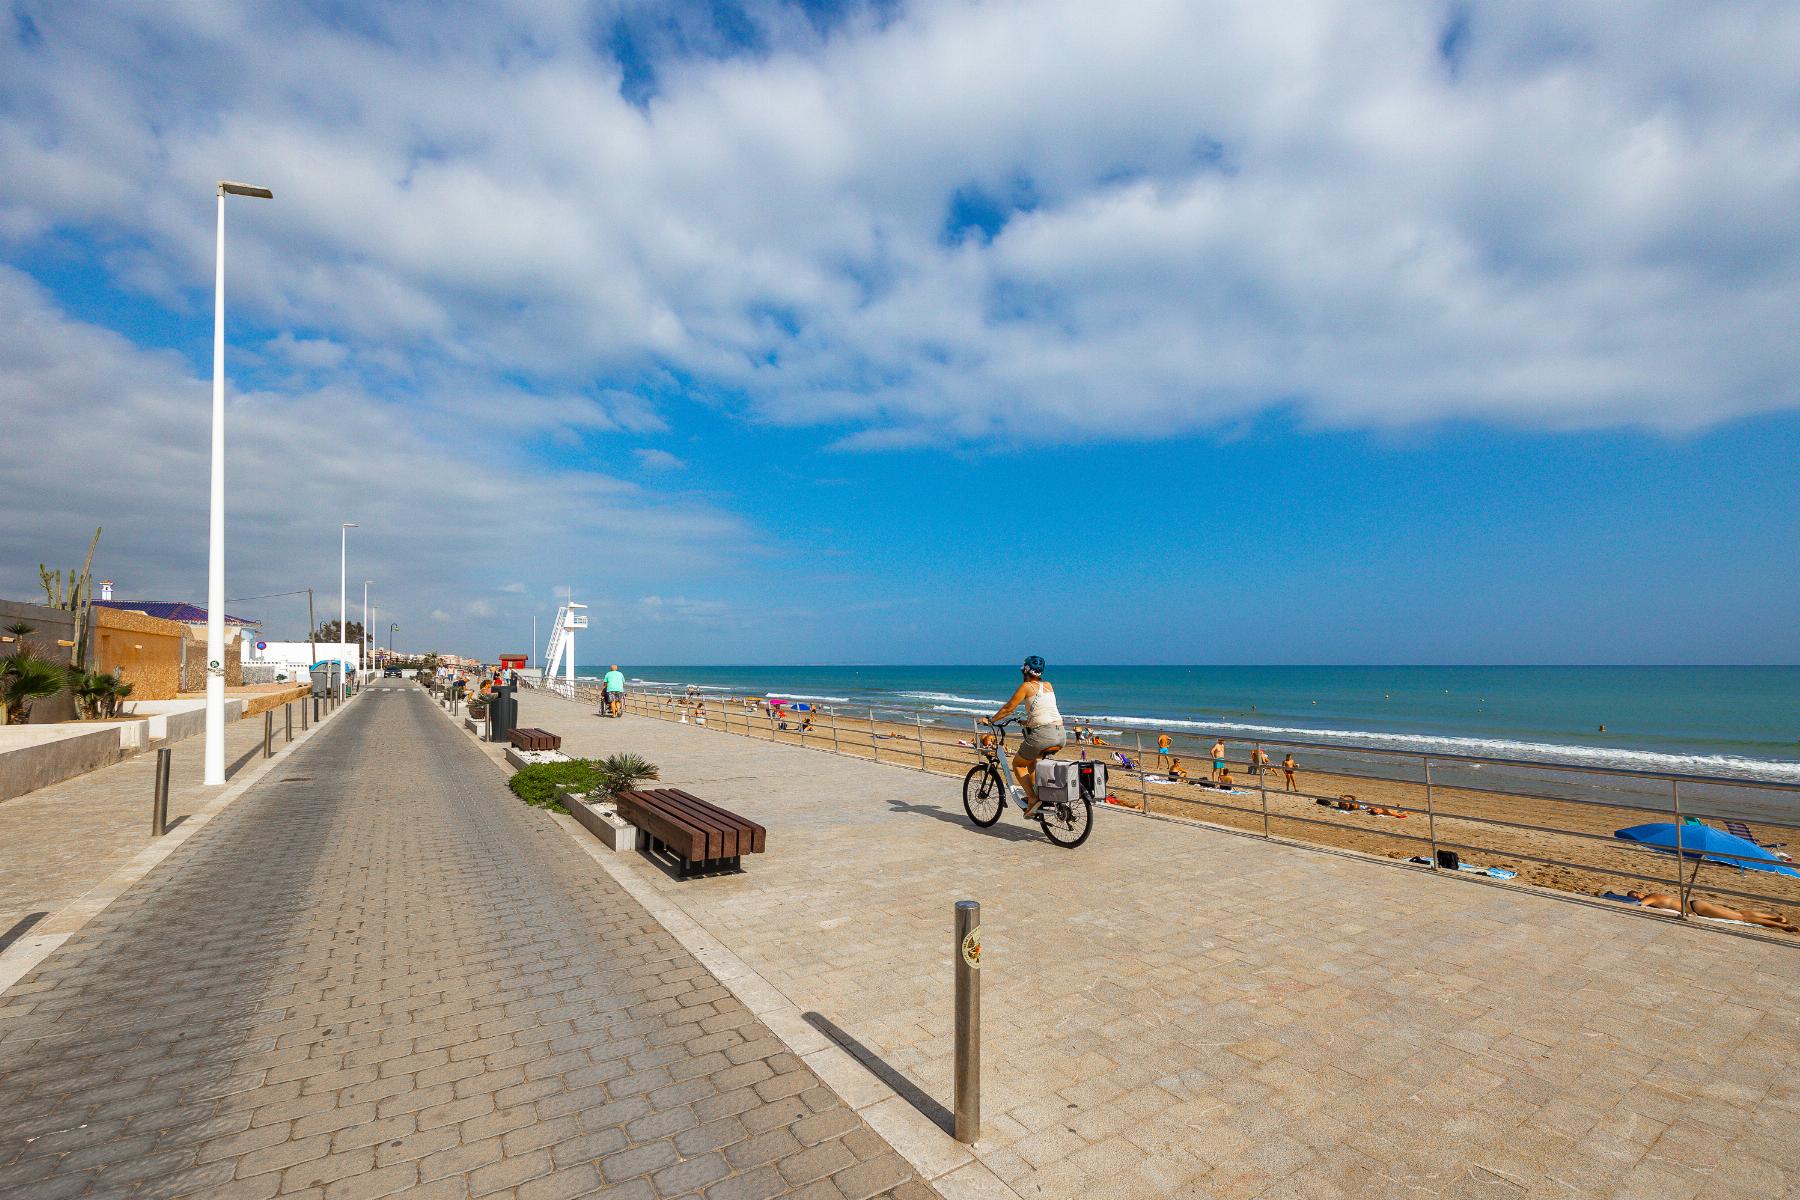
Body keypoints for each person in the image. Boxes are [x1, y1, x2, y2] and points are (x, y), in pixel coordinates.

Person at [982, 656, 1066, 819]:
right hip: (1060, 734)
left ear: (1026, 670)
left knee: (1018, 764)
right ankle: (1037, 793)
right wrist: (1027, 721)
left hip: (1043, 734)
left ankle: (1033, 798)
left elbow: (1008, 708)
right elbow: (1044, 710)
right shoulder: (1048, 685)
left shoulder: (1026, 686)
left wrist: (991, 720)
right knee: (1031, 760)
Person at [1626, 891, 1796, 932]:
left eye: (1635, 894)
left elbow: (1641, 905)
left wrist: (1636, 903)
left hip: (1696, 908)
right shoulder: (1657, 895)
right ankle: (1776, 918)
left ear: (1640, 893)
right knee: (1739, 913)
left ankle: (1781, 926)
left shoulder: (1651, 897)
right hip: (1696, 904)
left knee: (1741, 918)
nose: (1636, 897)